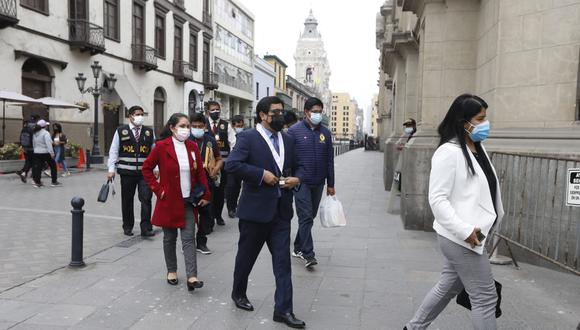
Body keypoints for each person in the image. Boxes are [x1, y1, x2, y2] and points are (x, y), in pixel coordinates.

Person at [405, 94, 504, 330]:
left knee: (447, 287)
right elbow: (437, 199)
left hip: (475, 233)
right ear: (463, 122)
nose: (485, 124)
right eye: (480, 119)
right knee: (485, 297)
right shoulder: (448, 152)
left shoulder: (477, 148)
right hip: (465, 236)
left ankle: (413, 327)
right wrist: (466, 231)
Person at [226, 96, 306, 329]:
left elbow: (299, 165)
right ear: (262, 115)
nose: (281, 116)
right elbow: (233, 165)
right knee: (246, 257)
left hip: (281, 212)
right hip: (255, 211)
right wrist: (261, 175)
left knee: (283, 263)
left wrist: (296, 178)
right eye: (276, 112)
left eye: (282, 112)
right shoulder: (248, 137)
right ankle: (238, 292)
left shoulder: (288, 139)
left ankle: (283, 310)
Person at [142, 113, 210, 291]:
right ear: (172, 127)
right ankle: (171, 270)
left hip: (188, 200)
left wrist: (205, 194)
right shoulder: (161, 147)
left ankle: (192, 277)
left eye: (188, 126)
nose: (186, 129)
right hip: (169, 200)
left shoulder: (192, 147)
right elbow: (146, 168)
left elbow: (200, 173)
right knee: (169, 238)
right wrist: (158, 189)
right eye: (183, 126)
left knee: (189, 238)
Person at [287, 97, 335, 269]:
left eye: (319, 111)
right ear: (306, 112)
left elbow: (330, 160)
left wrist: (331, 183)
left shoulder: (326, 133)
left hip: (319, 182)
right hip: (301, 182)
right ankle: (309, 254)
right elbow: (287, 158)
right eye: (314, 111)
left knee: (310, 216)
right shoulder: (293, 131)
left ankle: (298, 246)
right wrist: (290, 178)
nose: (317, 114)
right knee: (305, 216)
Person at [107, 106, 155, 237]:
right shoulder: (121, 131)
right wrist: (111, 169)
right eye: (137, 114)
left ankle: (146, 228)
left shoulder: (149, 132)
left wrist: (156, 168)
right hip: (127, 173)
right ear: (130, 116)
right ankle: (127, 226)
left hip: (144, 173)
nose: (140, 116)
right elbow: (113, 151)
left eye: (141, 114)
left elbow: (154, 151)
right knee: (127, 200)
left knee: (146, 198)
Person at [189, 112, 223, 254]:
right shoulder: (185, 140)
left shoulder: (210, 141)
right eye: (194, 126)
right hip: (189, 181)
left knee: (207, 213)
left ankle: (201, 242)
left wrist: (216, 169)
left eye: (200, 126)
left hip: (207, 180)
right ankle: (188, 243)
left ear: (204, 127)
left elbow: (219, 158)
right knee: (189, 214)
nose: (197, 128)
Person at [206, 101, 236, 226]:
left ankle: (218, 215)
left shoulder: (226, 125)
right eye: (213, 110)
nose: (216, 112)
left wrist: (230, 161)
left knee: (219, 192)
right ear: (208, 111)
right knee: (208, 192)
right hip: (206, 166)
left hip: (223, 165)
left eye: (218, 109)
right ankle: (209, 218)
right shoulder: (203, 124)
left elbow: (233, 144)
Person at [226, 115, 245, 218]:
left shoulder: (244, 135)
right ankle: (230, 208)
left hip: (241, 164)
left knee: (237, 186)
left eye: (242, 125)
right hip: (230, 164)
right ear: (233, 126)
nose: (240, 127)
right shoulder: (230, 134)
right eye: (238, 125)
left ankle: (234, 205)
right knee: (231, 186)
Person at [31, 119, 60, 188]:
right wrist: (51, 153)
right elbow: (48, 144)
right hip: (45, 152)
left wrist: (35, 150)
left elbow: (33, 143)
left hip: (36, 152)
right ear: (44, 126)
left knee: (38, 168)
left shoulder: (35, 133)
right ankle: (54, 181)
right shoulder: (46, 133)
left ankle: (38, 182)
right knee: (53, 166)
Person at [16, 116, 38, 183]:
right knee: (34, 163)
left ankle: (23, 173)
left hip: (25, 148)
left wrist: (22, 146)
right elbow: (35, 139)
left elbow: (21, 138)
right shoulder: (34, 128)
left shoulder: (24, 128)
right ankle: (34, 178)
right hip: (32, 148)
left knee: (28, 161)